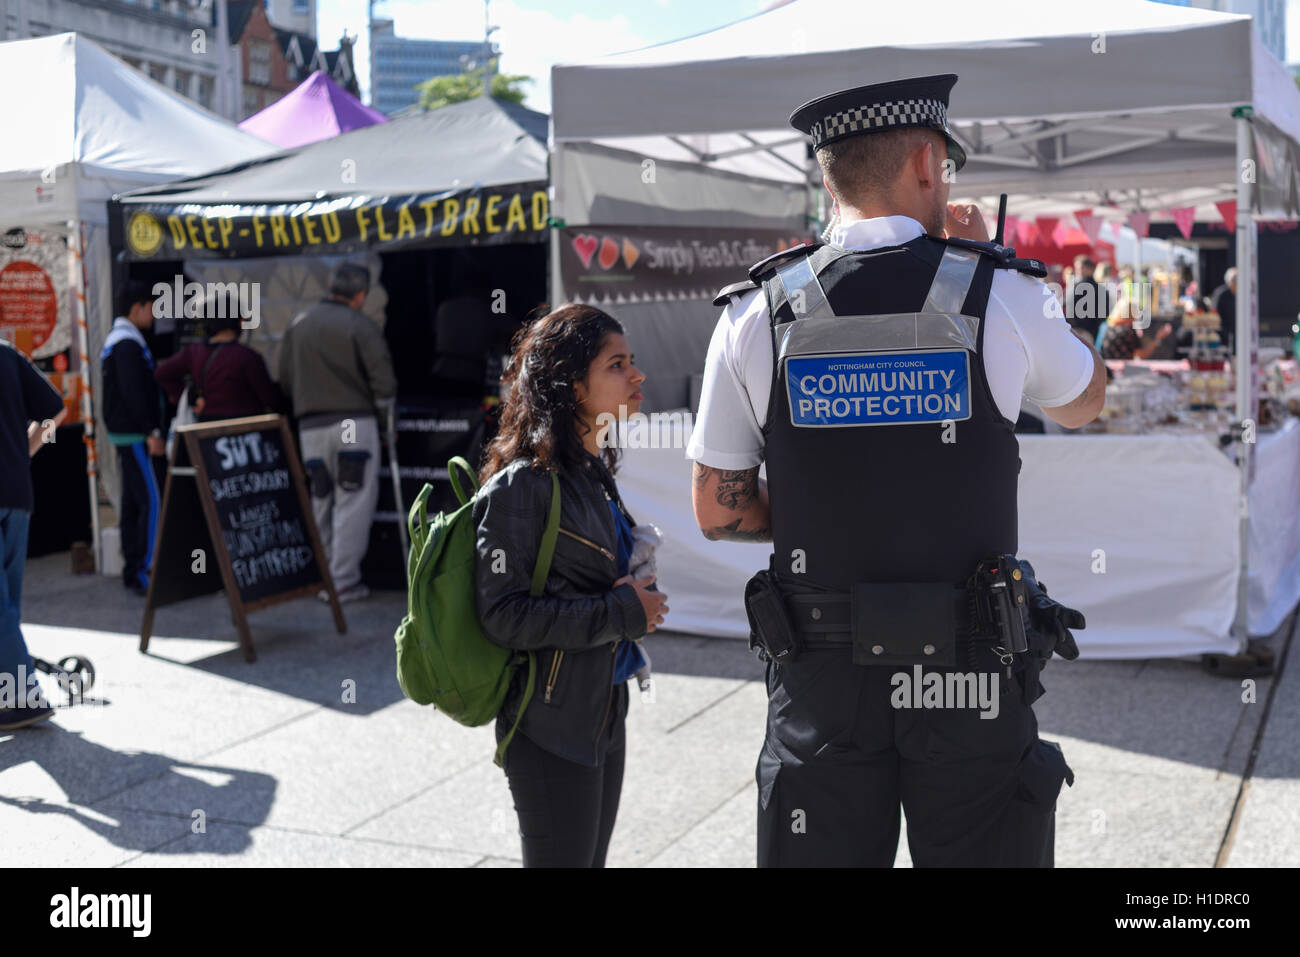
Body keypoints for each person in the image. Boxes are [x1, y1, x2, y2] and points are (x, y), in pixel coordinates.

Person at [688, 73, 1104, 867]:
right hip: (968, 672)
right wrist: (990, 263)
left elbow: (718, 508)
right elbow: (1086, 400)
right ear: (925, 162)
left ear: (825, 175)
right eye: (946, 165)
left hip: (821, 680)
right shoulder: (1000, 292)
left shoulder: (756, 311)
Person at [473, 304, 668, 867]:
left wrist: (634, 589)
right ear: (571, 383)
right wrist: (623, 611)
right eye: (617, 364)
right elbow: (503, 615)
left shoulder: (591, 469)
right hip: (549, 724)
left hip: (603, 705)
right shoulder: (523, 485)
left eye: (632, 361)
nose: (637, 376)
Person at [279, 263, 396, 603]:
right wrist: (386, 421)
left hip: (311, 427)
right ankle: (343, 580)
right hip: (350, 424)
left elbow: (285, 379)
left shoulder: (298, 324)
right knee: (351, 499)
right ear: (360, 295)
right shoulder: (360, 325)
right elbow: (383, 381)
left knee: (322, 499)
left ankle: (325, 576)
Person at [0, 340, 67, 730]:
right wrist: (23, 453)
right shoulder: (8, 354)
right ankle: (11, 690)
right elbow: (55, 411)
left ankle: (24, 696)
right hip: (17, 491)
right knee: (7, 601)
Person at [101, 280, 167, 596]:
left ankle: (133, 568)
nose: (155, 315)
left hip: (126, 433)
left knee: (132, 500)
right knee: (151, 500)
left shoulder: (120, 340)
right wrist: (152, 431)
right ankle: (145, 570)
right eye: (152, 307)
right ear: (137, 307)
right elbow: (134, 393)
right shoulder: (126, 343)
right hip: (134, 434)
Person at [154, 311, 282, 422]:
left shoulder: (194, 352)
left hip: (207, 430)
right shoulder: (247, 357)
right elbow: (269, 398)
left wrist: (191, 399)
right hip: (246, 432)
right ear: (240, 321)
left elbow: (162, 373)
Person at [1098, 293, 1173, 360]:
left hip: (1104, 370)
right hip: (1120, 374)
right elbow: (1142, 355)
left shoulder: (1105, 326)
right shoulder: (1128, 331)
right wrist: (1158, 338)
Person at [1067, 255, 1110, 343]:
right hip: (1093, 333)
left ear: (1091, 269)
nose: (1078, 271)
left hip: (1079, 332)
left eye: (1081, 268)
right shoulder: (1101, 289)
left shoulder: (1076, 287)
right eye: (1077, 268)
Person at [1209, 267, 1237, 352]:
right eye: (1235, 281)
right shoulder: (1220, 294)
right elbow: (1214, 314)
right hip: (1222, 333)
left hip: (1237, 332)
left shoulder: (1241, 295)